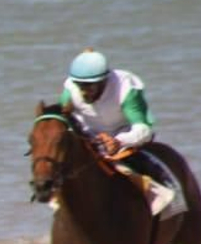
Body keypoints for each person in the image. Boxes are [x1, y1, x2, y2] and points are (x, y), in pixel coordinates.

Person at [57, 48, 175, 215]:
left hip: (124, 138)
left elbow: (144, 129)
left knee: (143, 173)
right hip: (88, 138)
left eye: (90, 86)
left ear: (104, 81)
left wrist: (119, 141)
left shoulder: (125, 88)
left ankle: (166, 204)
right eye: (80, 85)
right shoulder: (71, 90)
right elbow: (61, 123)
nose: (83, 91)